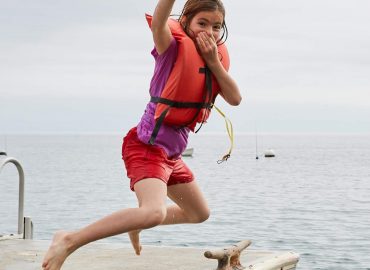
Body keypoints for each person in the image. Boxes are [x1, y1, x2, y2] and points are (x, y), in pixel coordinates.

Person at [42, 0, 241, 269]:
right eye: (202, 23)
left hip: (171, 154)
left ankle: (138, 222)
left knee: (199, 213)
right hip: (147, 146)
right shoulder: (170, 47)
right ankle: (68, 240)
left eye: (216, 26)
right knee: (154, 212)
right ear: (185, 22)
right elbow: (159, 21)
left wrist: (213, 63)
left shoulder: (214, 58)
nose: (210, 31)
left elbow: (235, 98)